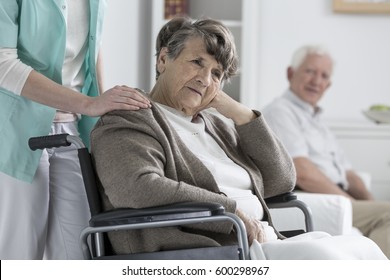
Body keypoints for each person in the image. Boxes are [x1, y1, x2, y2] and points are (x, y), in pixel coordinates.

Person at [90, 17, 386, 259]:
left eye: (217, 73)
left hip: (258, 241)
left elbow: (281, 180)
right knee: (329, 261)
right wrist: (230, 211)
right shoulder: (130, 116)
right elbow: (138, 187)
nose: (205, 79)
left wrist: (242, 114)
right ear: (164, 59)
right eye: (196, 62)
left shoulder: (216, 124)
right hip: (207, 248)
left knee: (365, 249)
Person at [0, 1, 151, 260]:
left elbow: (94, 46)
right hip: (16, 129)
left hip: (73, 129)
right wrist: (90, 104)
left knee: (80, 250)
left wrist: (105, 107)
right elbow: (3, 65)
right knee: (19, 253)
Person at [262, 44, 390, 258]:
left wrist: (369, 202)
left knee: (382, 210)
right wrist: (349, 202)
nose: (316, 81)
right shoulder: (280, 112)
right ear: (290, 73)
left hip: (338, 196)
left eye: (323, 76)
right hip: (316, 200)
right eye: (310, 71)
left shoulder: (316, 119)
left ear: (328, 85)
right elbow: (302, 171)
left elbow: (348, 173)